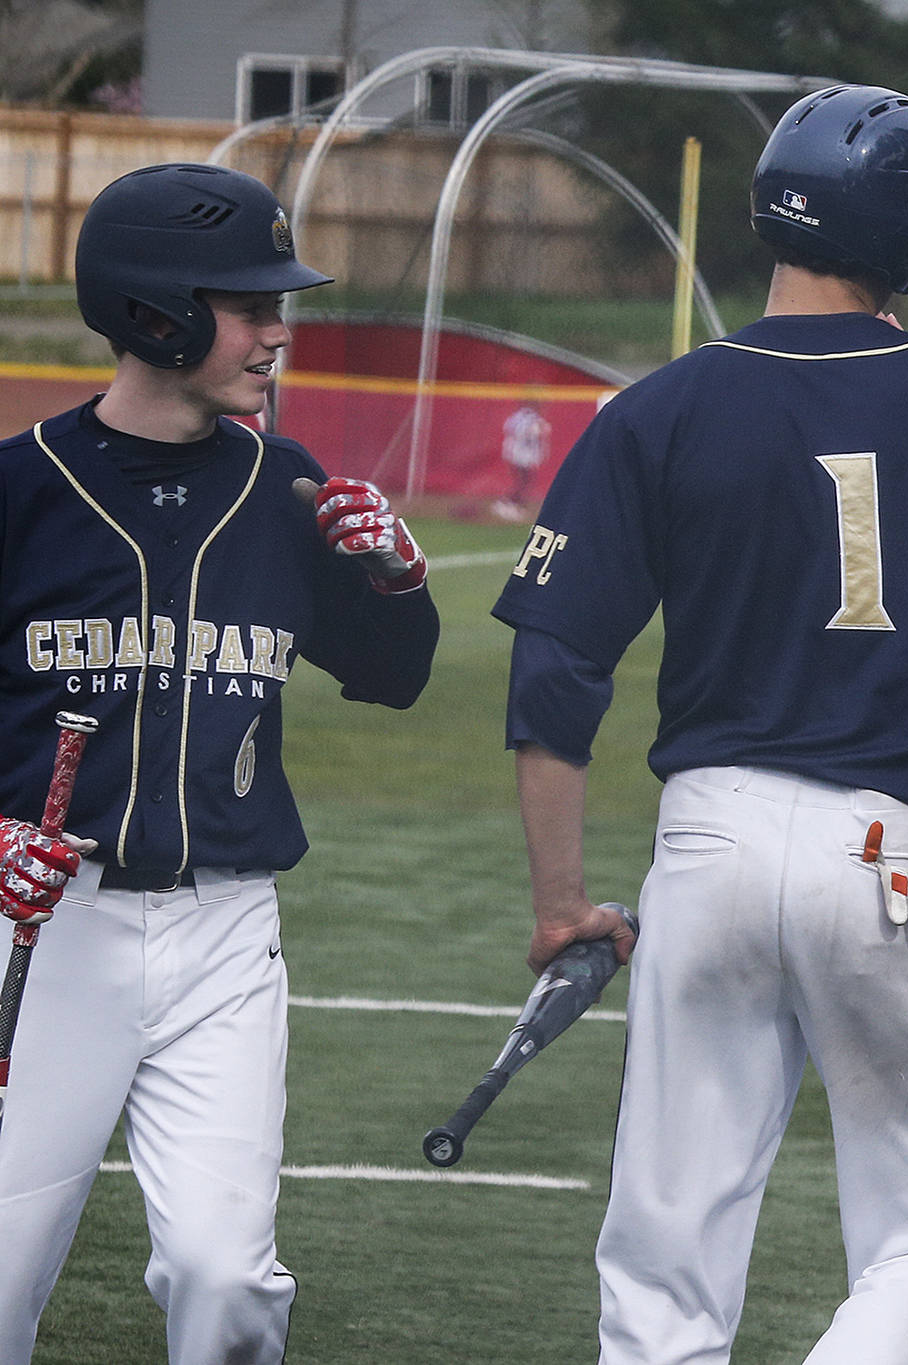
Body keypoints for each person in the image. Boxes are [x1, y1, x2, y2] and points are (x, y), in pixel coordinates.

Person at [491, 85, 908, 1364]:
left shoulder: (651, 409)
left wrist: (558, 903)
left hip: (703, 847)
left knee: (664, 1260)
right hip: (893, 854)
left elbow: (553, 669)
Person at [0, 162, 437, 1363]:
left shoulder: (289, 494)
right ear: (157, 312)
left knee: (227, 1280)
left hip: (225, 936)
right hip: (49, 934)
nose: (276, 332)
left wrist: (392, 581)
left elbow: (395, 673)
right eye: (249, 305)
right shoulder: (20, 492)